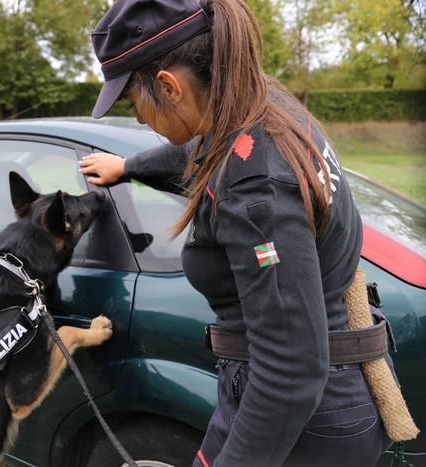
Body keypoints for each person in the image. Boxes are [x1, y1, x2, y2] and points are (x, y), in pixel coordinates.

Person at [80, 0, 395, 466]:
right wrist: (127, 167)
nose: (141, 119)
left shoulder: (256, 191)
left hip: (307, 424)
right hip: (318, 394)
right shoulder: (261, 103)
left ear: (168, 86)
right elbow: (198, 149)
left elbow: (291, 373)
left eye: (134, 102)